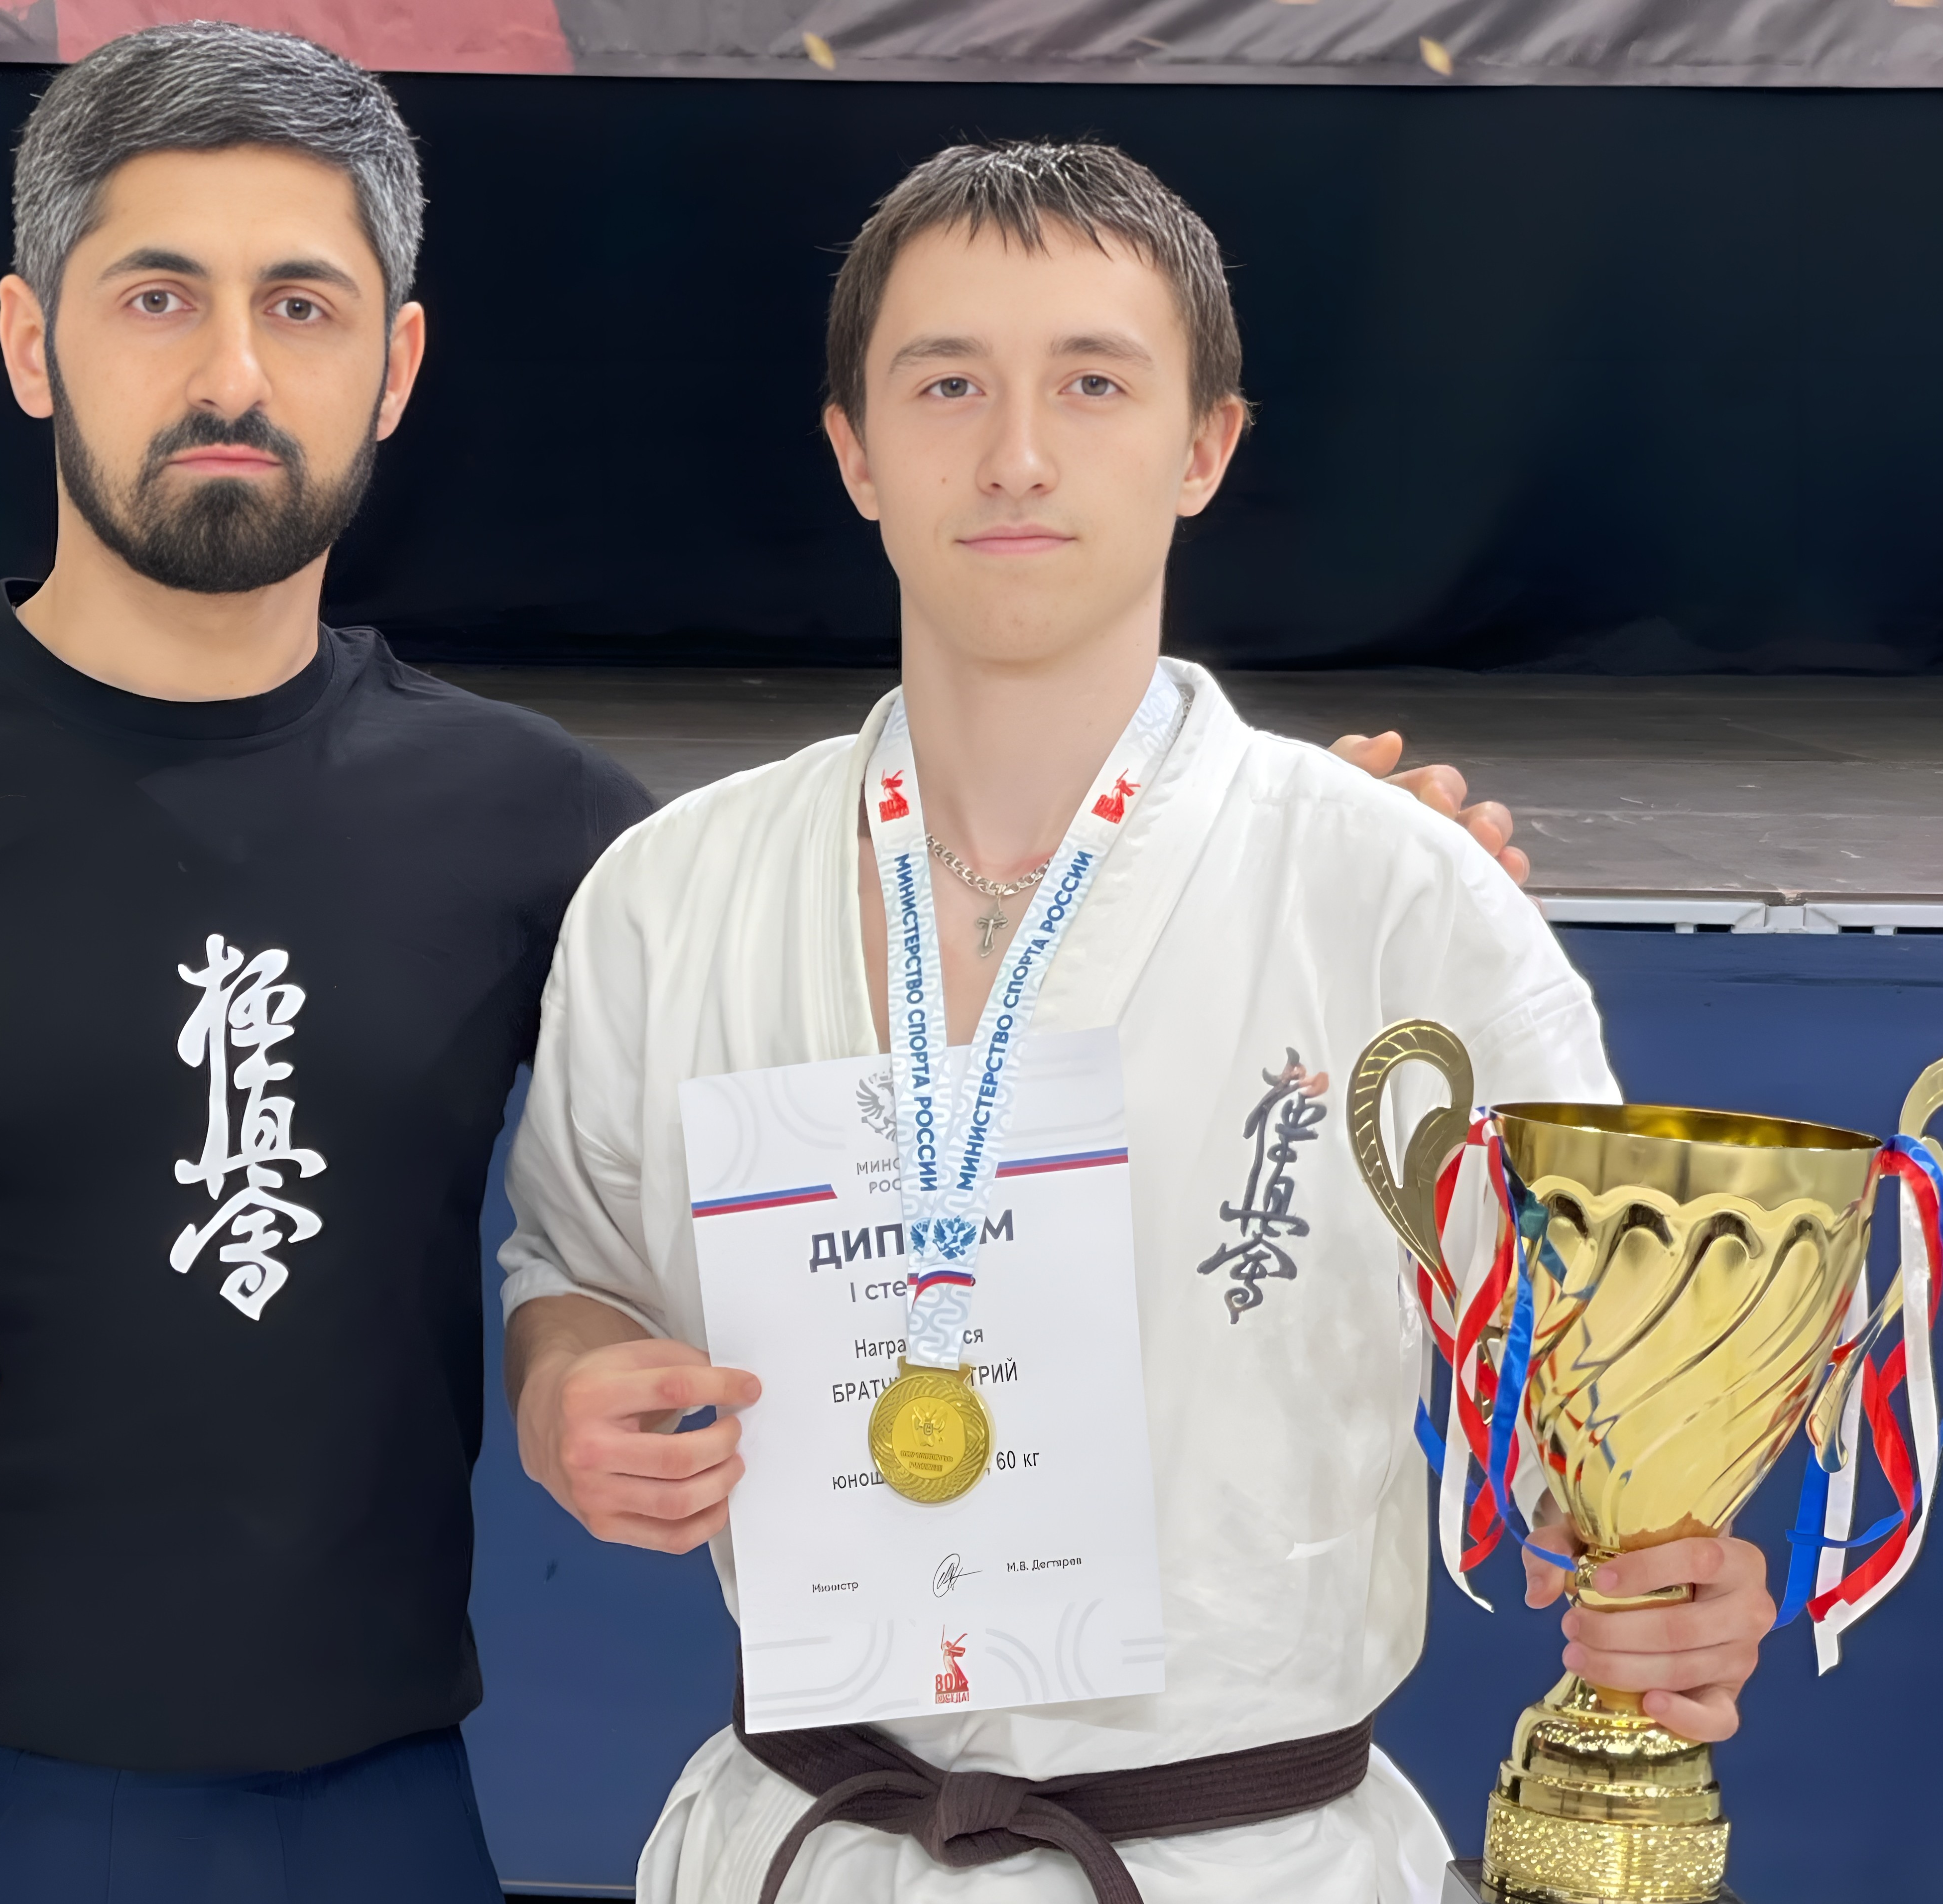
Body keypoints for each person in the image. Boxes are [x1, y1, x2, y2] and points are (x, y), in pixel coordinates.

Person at [0, 31, 1533, 1901]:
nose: (230, 372)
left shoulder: (557, 838)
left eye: (302, 305)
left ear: (396, 364)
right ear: (31, 339)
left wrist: (1317, 862)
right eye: (156, 296)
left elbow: (940, 1043)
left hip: (359, 1813)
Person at [498, 142, 1778, 1904]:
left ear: (1203, 447)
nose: (1016, 453)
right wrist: (567, 1386)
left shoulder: (1390, 894)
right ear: (853, 451)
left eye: (1092, 383)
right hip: (800, 1840)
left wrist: (1661, 1565)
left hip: (1248, 1861)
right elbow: (575, 1266)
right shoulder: (672, 890)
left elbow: (1586, 1390)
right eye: (946, 384)